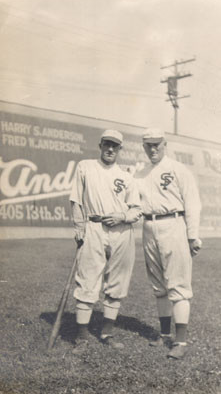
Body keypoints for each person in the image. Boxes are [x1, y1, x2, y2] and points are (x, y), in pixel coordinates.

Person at [69, 129, 142, 354]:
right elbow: (76, 199)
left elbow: (136, 208)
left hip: (122, 231)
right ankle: (82, 337)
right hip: (94, 226)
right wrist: (79, 226)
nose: (110, 149)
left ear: (120, 149)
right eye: (107, 144)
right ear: (100, 145)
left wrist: (122, 216)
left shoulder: (127, 175)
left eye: (115, 146)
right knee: (88, 279)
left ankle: (107, 333)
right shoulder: (85, 167)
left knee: (117, 283)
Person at [135, 128, 202, 360]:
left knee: (178, 285)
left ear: (165, 145)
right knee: (159, 286)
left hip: (174, 224)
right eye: (148, 145)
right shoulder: (140, 173)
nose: (153, 149)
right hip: (148, 226)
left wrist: (192, 235)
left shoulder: (178, 169)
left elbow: (192, 202)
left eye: (157, 144)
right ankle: (164, 334)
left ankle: (180, 340)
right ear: (144, 147)